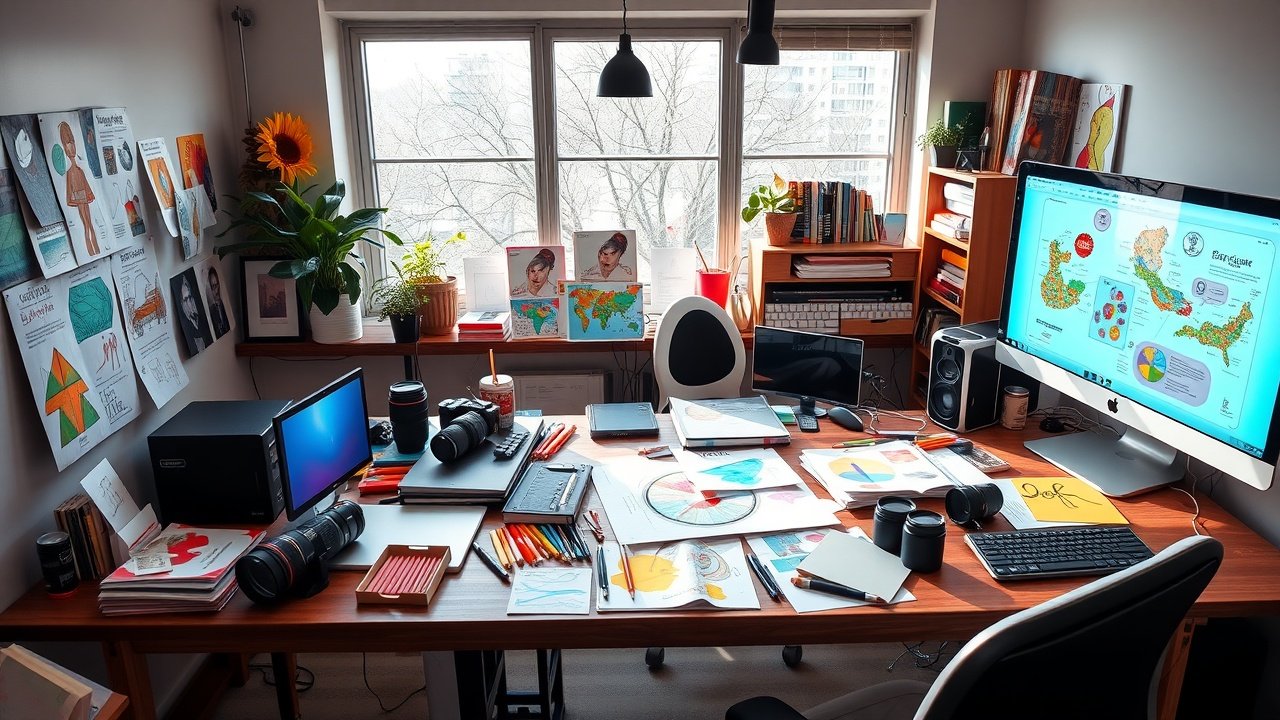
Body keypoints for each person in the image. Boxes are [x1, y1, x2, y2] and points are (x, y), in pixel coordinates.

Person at [59, 121, 99, 256]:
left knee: (90, 224)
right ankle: (91, 251)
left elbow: (86, 184)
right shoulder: (70, 172)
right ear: (65, 148)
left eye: (72, 143)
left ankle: (96, 250)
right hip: (79, 197)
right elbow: (69, 190)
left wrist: (89, 194)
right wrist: (73, 199)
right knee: (86, 225)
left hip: (84, 197)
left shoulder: (80, 170)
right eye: (68, 144)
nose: (72, 147)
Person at [176, 274, 212, 355]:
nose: (189, 303)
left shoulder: (202, 319)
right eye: (185, 299)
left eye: (190, 297)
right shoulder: (185, 326)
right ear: (181, 303)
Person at [206, 266, 231, 338]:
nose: (216, 289)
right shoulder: (211, 311)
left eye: (217, 284)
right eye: (213, 286)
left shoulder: (226, 306)